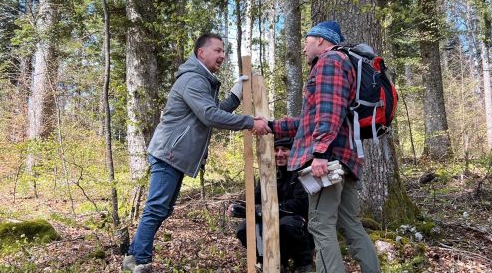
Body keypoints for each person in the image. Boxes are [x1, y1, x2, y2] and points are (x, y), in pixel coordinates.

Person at [123, 34, 271, 273]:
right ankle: (138, 260)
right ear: (201, 53)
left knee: (163, 208)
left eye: (224, 51)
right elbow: (209, 116)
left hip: (175, 155)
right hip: (168, 153)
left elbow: (213, 110)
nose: (222, 55)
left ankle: (134, 255)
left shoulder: (202, 80)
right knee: (157, 207)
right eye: (217, 50)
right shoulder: (193, 79)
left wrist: (235, 94)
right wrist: (249, 122)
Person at [269, 21, 380, 273]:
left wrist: (319, 153)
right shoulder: (342, 64)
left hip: (328, 161)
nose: (304, 48)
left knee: (320, 224)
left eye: (307, 42)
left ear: (320, 40)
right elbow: (310, 121)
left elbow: (329, 112)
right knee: (350, 224)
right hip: (345, 159)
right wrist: (272, 125)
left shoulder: (330, 61)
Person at [229, 137, 314, 272]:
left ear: (292, 152)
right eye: (276, 150)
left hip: (298, 224)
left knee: (287, 225)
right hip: (270, 220)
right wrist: (242, 208)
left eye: (284, 150)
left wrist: (270, 210)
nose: (279, 154)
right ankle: (267, 261)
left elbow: (300, 204)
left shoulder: (301, 173)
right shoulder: (267, 173)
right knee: (243, 229)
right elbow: (255, 200)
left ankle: (303, 264)